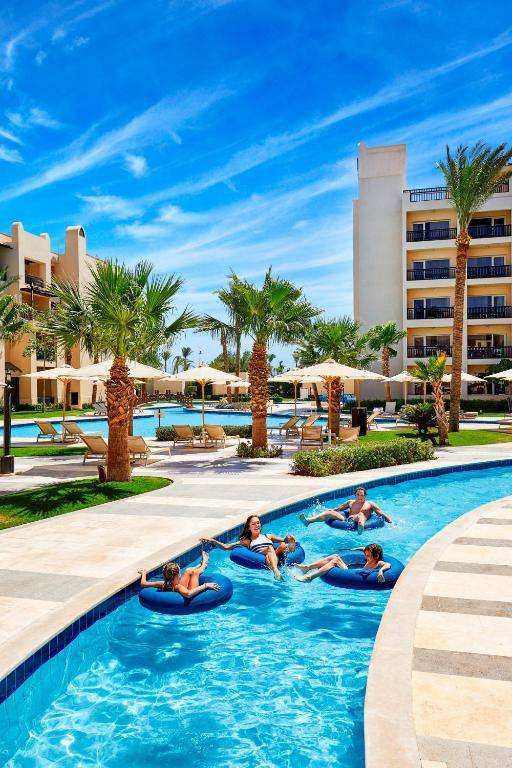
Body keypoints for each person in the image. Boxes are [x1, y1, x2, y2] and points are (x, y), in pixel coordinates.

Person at [201, 514, 297, 580]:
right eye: (253, 524)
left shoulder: (268, 536)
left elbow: (283, 540)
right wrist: (212, 541)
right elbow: (226, 547)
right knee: (270, 548)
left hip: (274, 553)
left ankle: (289, 550)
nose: (256, 525)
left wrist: (289, 538)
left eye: (258, 523)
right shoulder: (247, 541)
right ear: (249, 527)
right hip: (263, 555)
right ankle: (276, 570)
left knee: (283, 544)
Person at [298, 487, 392, 533]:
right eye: (358, 495)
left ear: (365, 496)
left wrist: (390, 521)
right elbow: (339, 509)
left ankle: (360, 527)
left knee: (360, 515)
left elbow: (380, 513)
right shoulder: (350, 502)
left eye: (362, 495)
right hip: (348, 520)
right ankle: (308, 521)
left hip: (361, 519)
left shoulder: (370, 504)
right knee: (329, 513)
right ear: (355, 495)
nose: (359, 497)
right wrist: (331, 511)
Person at [294, 543, 390, 583]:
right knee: (335, 556)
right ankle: (307, 567)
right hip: (353, 573)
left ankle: (309, 577)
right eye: (366, 554)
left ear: (376, 556)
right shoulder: (370, 558)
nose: (366, 557)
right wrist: (355, 549)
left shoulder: (378, 563)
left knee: (334, 561)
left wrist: (381, 571)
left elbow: (388, 565)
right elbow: (364, 549)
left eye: (368, 555)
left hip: (354, 576)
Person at [138, 550, 220, 597]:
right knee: (195, 573)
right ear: (177, 576)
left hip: (180, 586)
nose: (180, 575)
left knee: (188, 570)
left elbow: (143, 584)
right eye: (179, 573)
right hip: (191, 590)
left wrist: (143, 573)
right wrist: (206, 585)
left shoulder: (162, 584)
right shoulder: (178, 587)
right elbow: (188, 594)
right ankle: (204, 564)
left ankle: (199, 565)